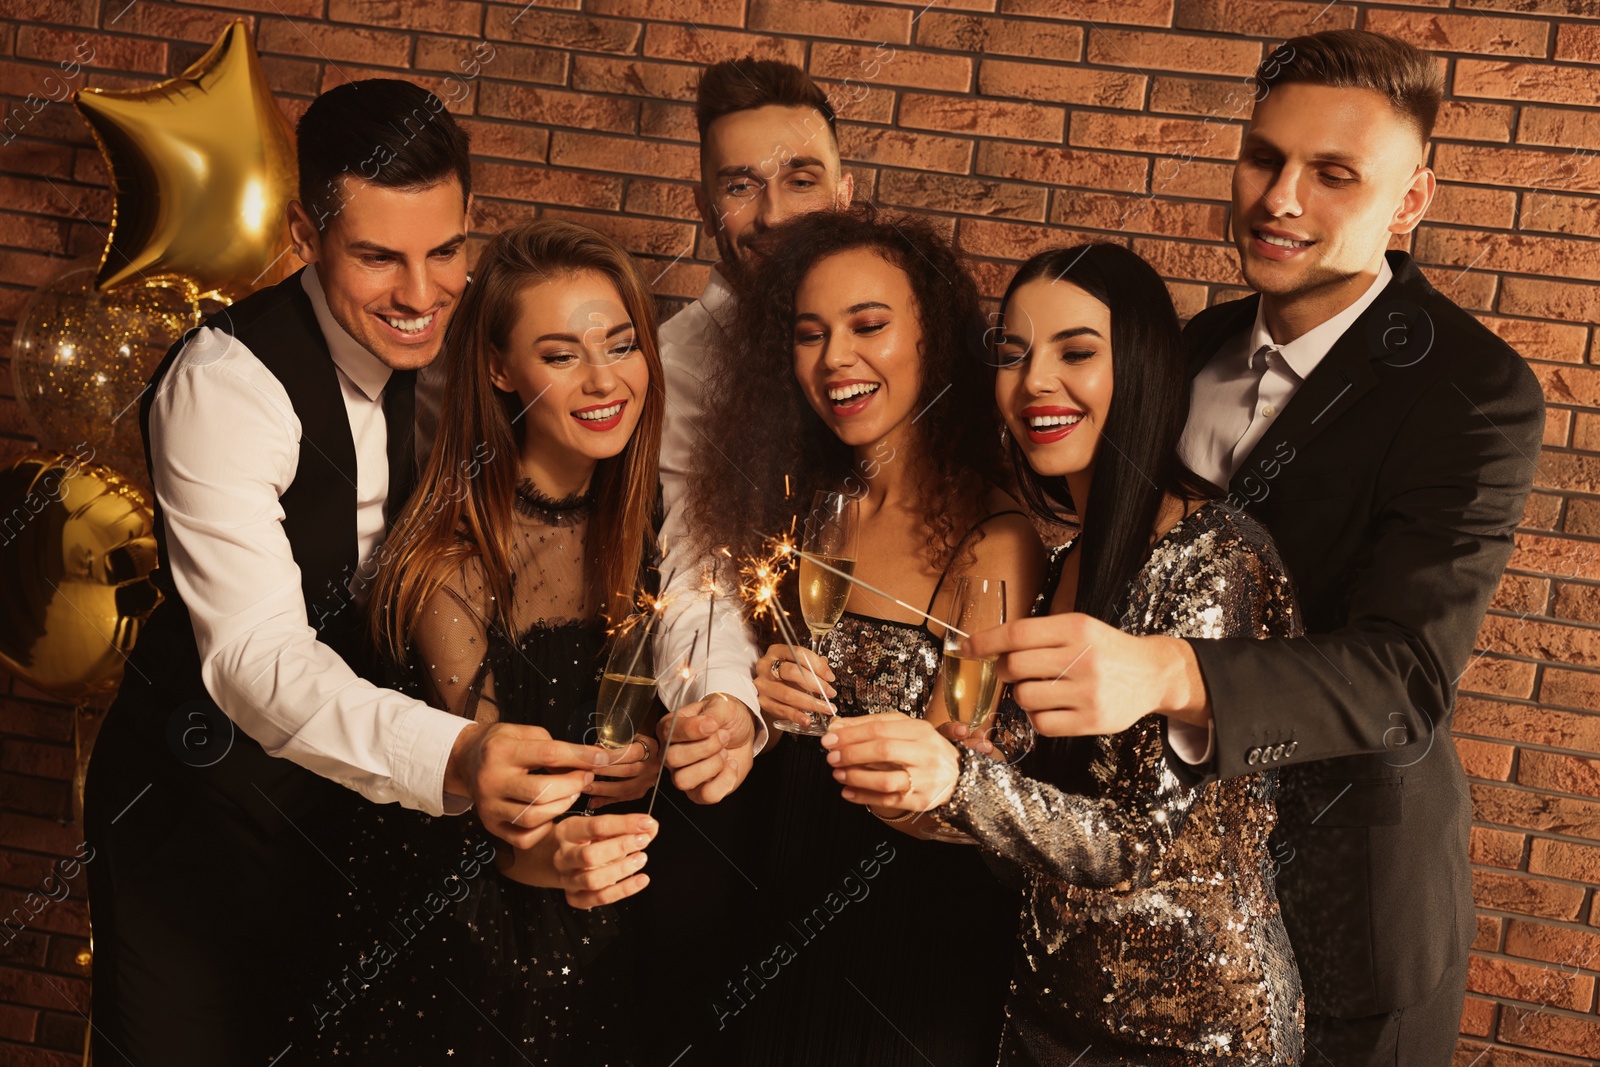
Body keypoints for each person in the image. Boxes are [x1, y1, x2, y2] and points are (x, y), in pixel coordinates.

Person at [962, 31, 1544, 1066]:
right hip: (1137, 920)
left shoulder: (1473, 392)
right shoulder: (1185, 349)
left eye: (1331, 174)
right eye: (1263, 158)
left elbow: (1404, 675)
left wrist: (1168, 669)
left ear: (1408, 199)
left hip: (1343, 917)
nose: (1279, 198)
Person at [82, 81, 607, 1065]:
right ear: (304, 234)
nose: (420, 294)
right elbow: (253, 657)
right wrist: (454, 755)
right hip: (201, 819)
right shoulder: (224, 384)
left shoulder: (470, 349)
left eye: (445, 250)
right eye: (377, 256)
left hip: (365, 823)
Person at [827, 242, 1305, 1065]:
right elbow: (1027, 801)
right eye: (1013, 355)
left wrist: (963, 782)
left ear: (1147, 366)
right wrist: (945, 775)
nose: (1034, 382)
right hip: (1047, 1007)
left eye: (1075, 351)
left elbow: (1137, 842)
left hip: (1190, 1031)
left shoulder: (1216, 553)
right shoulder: (1061, 562)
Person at [688, 204, 1043, 1063]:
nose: (835, 357)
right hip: (778, 888)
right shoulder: (810, 502)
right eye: (810, 334)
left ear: (933, 339)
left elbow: (989, 787)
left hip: (907, 937)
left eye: (868, 325)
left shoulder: (993, 536)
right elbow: (790, 704)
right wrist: (764, 702)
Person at [308, 218, 666, 1064]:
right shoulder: (452, 559)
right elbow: (494, 816)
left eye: (620, 344)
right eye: (560, 354)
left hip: (612, 936)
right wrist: (566, 856)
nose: (602, 378)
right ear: (500, 370)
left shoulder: (651, 528)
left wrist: (653, 756)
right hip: (462, 962)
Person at [639, 56, 859, 1053]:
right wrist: (720, 698)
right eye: (740, 185)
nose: (773, 211)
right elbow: (693, 561)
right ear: (704, 204)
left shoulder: (917, 326)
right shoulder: (678, 361)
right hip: (753, 753)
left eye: (799, 176)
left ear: (845, 188)